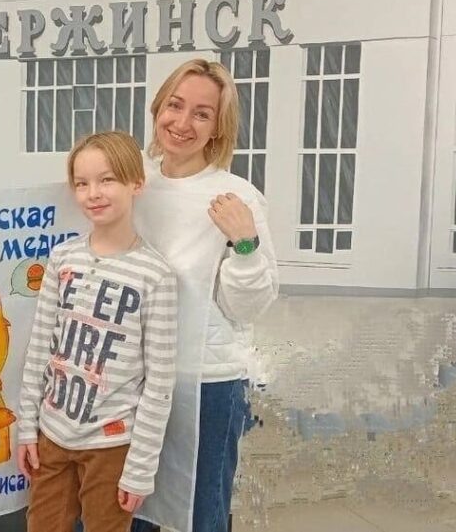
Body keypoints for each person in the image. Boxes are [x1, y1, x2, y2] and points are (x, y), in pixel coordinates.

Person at [135, 58, 280, 532]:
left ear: (218, 127)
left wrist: (245, 244)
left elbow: (248, 306)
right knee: (126, 509)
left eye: (202, 113)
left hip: (206, 383)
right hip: (130, 378)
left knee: (202, 514)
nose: (182, 122)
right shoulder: (132, 183)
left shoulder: (236, 197)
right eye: (175, 105)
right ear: (158, 108)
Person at [18, 131, 178, 532]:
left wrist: (140, 468)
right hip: (52, 435)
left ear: (135, 183)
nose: (93, 193)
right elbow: (39, 348)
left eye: (107, 180)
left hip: (112, 444)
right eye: (82, 183)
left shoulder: (155, 275)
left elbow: (159, 381)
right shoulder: (62, 258)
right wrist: (26, 428)